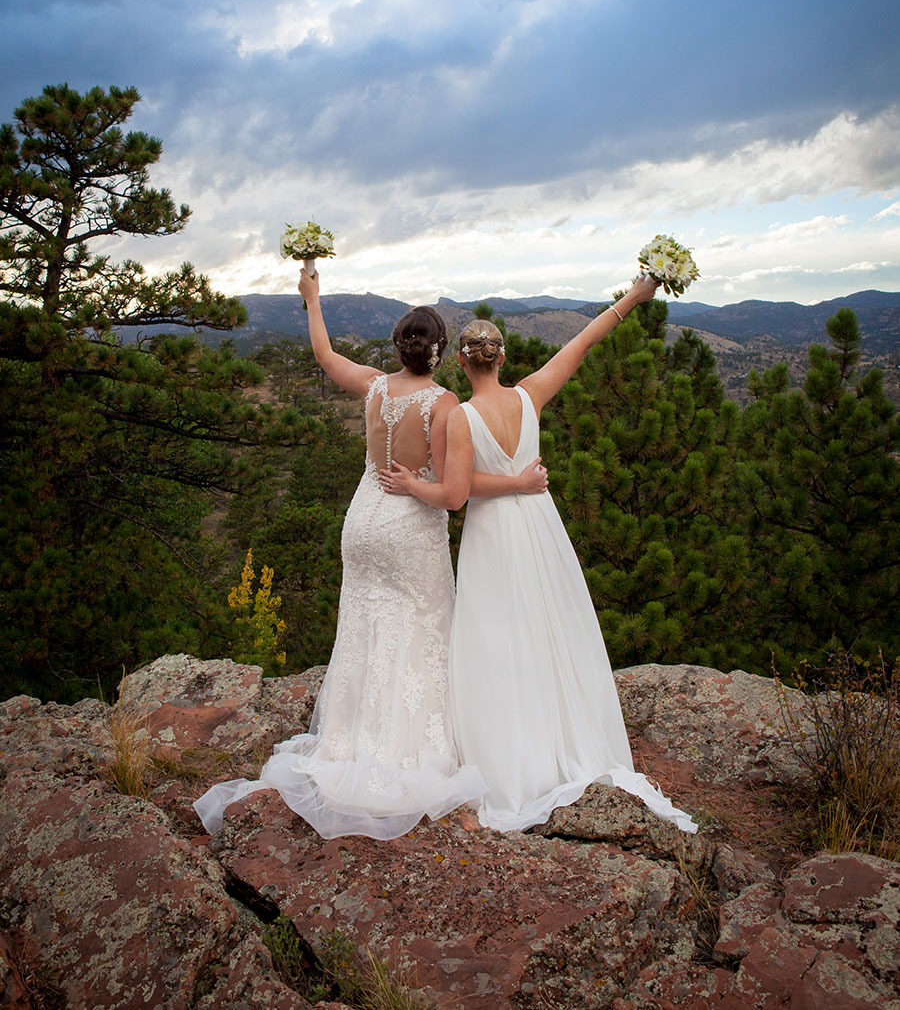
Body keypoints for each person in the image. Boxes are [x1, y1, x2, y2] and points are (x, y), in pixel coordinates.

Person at [194, 270, 540, 840]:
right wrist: (424, 486)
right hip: (406, 526)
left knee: (364, 629)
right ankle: (408, 749)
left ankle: (347, 740)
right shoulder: (444, 403)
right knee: (422, 628)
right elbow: (451, 496)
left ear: (400, 347)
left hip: (361, 523)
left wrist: (312, 299)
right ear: (440, 353)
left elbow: (325, 355)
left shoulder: (376, 387)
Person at [383, 277, 696, 834]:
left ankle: (512, 757)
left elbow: (459, 493)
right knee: (551, 628)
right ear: (502, 356)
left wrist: (425, 485)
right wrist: (635, 296)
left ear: (460, 360)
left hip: (492, 535)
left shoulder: (459, 416)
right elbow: (583, 342)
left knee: (498, 638)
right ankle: (564, 738)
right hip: (539, 527)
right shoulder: (530, 396)